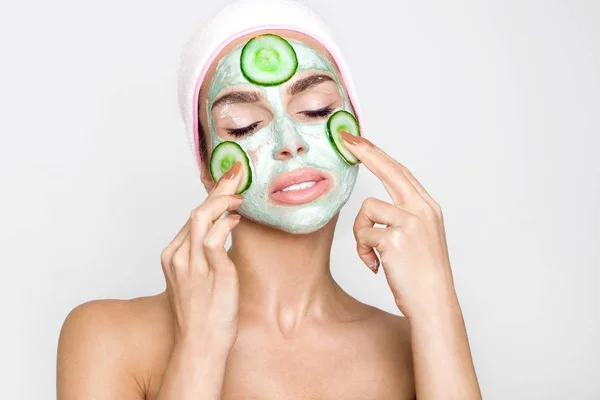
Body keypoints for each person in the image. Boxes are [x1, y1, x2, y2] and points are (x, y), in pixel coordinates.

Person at [56, 0, 482, 399]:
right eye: (244, 126)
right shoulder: (108, 336)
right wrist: (199, 350)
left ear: (356, 131)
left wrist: (438, 303)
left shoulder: (417, 344)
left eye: (316, 108)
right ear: (207, 169)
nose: (289, 142)